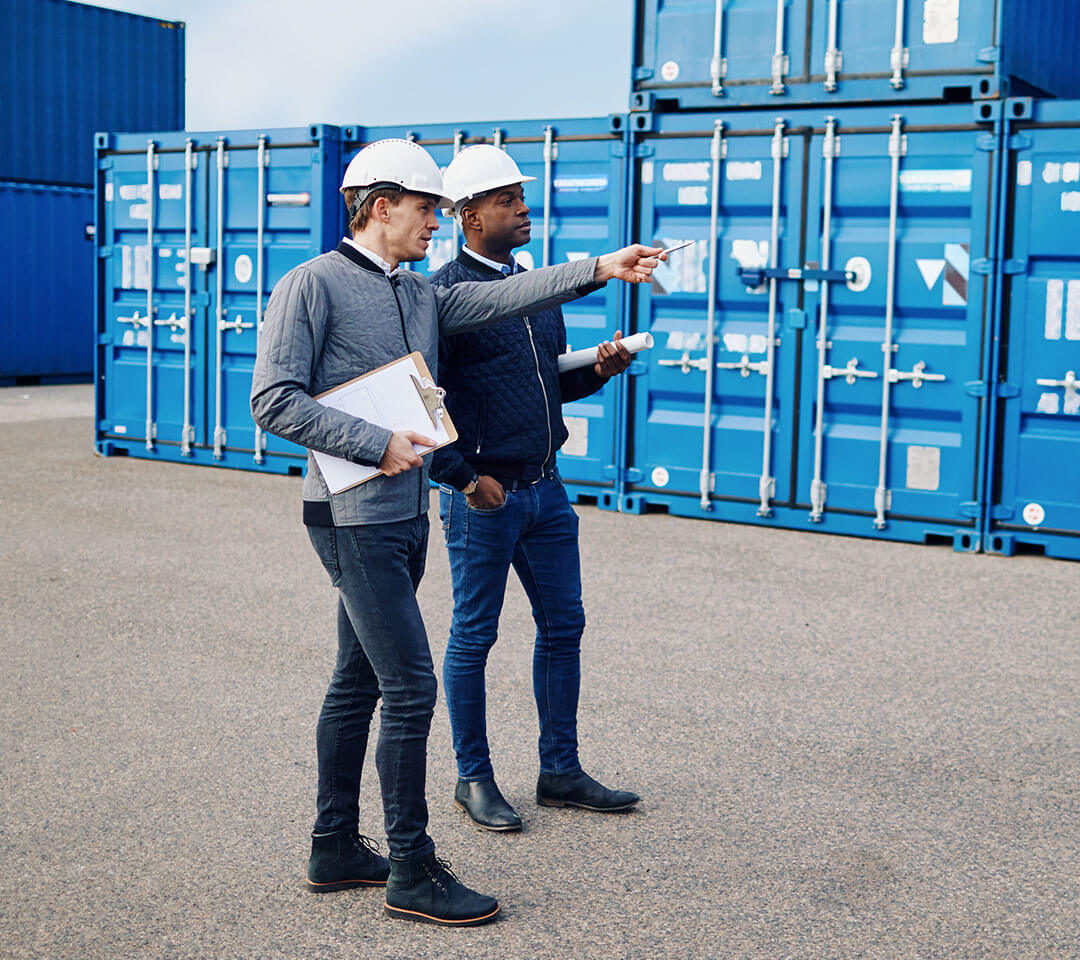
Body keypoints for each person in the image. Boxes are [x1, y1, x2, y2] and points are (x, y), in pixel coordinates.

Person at [250, 138, 662, 927]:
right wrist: (377, 444)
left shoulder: (417, 296)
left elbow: (509, 299)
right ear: (380, 207)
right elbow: (273, 401)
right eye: (428, 209)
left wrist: (601, 267)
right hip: (349, 515)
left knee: (357, 683)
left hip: (404, 518)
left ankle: (334, 845)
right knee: (411, 688)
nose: (437, 224)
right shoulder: (310, 285)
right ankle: (412, 868)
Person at [429, 144, 640, 833]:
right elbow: (424, 404)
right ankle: (474, 778)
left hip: (547, 489)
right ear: (468, 216)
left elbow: (548, 379)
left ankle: (561, 771)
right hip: (484, 495)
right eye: (507, 200)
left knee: (564, 626)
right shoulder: (443, 297)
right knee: (475, 636)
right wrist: (463, 477)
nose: (524, 209)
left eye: (522, 196)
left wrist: (599, 369)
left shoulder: (537, 291)